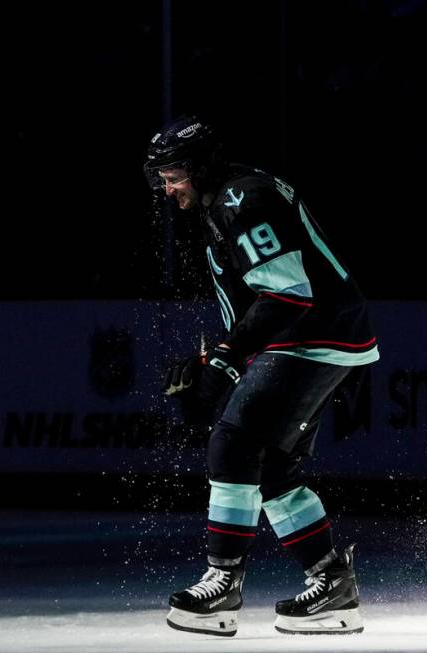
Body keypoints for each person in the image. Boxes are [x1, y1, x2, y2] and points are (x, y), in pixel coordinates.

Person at [145, 115, 379, 636]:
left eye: (174, 174)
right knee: (273, 466)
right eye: (160, 177)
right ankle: (332, 585)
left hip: (314, 336)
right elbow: (265, 297)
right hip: (315, 335)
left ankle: (222, 583)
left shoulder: (240, 199)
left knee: (232, 444)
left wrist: (226, 360)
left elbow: (286, 295)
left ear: (201, 166)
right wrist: (218, 361)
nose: (167, 188)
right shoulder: (223, 201)